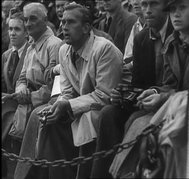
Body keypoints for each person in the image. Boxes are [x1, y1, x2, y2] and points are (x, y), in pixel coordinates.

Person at [109, 0, 189, 178]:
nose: (176, 14)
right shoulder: (172, 41)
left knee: (147, 127)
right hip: (175, 105)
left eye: (182, 8)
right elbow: (169, 84)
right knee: (137, 122)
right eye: (173, 9)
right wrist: (155, 93)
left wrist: (164, 98)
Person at [21, 3, 123, 179]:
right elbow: (67, 92)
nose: (63, 27)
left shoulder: (104, 49)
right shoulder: (64, 50)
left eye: (70, 22)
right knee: (49, 122)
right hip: (81, 108)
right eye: (62, 22)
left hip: (107, 111)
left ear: (86, 27)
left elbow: (104, 95)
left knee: (86, 121)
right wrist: (59, 105)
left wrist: (67, 105)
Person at [90, 0, 174, 178]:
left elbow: (180, 84)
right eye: (144, 5)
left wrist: (157, 95)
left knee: (135, 121)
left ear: (167, 7)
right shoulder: (141, 38)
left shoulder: (179, 33)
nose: (147, 11)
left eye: (154, 4)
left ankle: (125, 173)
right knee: (109, 113)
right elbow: (139, 84)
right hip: (148, 101)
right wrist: (122, 95)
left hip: (170, 101)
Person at [6, 2, 62, 142]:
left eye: (33, 19)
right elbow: (22, 77)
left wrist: (30, 97)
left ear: (45, 20)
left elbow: (55, 86)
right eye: (25, 20)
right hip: (26, 99)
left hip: (44, 102)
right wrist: (21, 88)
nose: (28, 24)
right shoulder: (31, 46)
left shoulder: (54, 45)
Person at [1, 11, 30, 178]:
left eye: (17, 29)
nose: (12, 33)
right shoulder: (6, 55)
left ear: (26, 32)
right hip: (9, 105)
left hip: (23, 106)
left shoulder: (30, 52)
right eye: (10, 29)